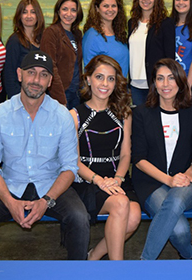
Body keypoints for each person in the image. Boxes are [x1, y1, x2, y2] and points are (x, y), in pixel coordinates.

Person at [0, 50, 90, 260]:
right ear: (19, 74)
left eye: (44, 75)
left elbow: (70, 167)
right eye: (31, 72)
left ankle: (75, 273)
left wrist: (46, 201)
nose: (36, 80)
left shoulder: (62, 116)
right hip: (11, 184)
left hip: (50, 185)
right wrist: (8, 201)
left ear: (50, 81)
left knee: (80, 219)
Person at [70, 55, 141, 260]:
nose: (105, 84)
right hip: (87, 181)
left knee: (134, 217)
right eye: (99, 77)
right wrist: (100, 181)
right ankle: (116, 269)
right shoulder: (74, 116)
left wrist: (118, 179)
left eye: (111, 79)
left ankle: (93, 257)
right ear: (88, 79)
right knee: (120, 204)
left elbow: (126, 153)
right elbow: (74, 162)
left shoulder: (123, 113)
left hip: (116, 178)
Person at [132, 59, 192, 260]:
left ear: (180, 81)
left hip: (186, 180)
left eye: (171, 78)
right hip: (151, 182)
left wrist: (188, 174)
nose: (165, 84)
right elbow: (138, 158)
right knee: (179, 230)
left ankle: (144, 263)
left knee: (174, 203)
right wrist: (168, 180)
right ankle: (191, 259)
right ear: (153, 83)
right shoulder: (142, 113)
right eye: (160, 79)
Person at [128, 0, 174, 106]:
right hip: (135, 83)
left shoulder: (165, 23)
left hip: (155, 82)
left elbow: (169, 57)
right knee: (140, 120)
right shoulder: (132, 23)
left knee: (155, 120)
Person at [41, 0, 84, 109]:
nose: (69, 14)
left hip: (76, 93)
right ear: (58, 11)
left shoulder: (77, 34)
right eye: (65, 9)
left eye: (73, 10)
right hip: (60, 93)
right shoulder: (51, 32)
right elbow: (50, 66)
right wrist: (60, 98)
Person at [3, 0, 45, 98]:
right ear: (19, 16)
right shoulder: (14, 41)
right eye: (25, 12)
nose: (29, 16)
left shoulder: (43, 39)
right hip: (21, 97)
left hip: (39, 96)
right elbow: (9, 74)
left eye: (33, 12)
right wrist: (19, 99)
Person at [83, 0, 129, 78]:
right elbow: (89, 70)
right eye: (105, 6)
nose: (110, 9)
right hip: (104, 89)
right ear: (97, 8)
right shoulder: (92, 36)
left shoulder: (119, 33)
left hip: (121, 88)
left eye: (113, 6)